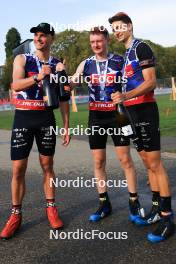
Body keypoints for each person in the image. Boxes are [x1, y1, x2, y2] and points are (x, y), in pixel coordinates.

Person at [109, 12, 175, 242]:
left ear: (130, 26)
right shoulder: (125, 54)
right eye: (114, 28)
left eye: (120, 27)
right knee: (147, 163)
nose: (117, 31)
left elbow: (150, 82)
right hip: (131, 112)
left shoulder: (141, 47)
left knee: (156, 164)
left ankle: (168, 218)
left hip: (146, 110)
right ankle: (157, 209)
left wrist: (125, 94)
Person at [0, 23, 70, 239]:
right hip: (23, 117)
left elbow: (65, 97)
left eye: (43, 35)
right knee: (18, 169)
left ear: (51, 38)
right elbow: (15, 85)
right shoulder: (23, 59)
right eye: (36, 36)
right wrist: (39, 76)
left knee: (47, 166)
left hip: (45, 118)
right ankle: (15, 215)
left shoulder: (58, 64)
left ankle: (51, 208)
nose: (39, 39)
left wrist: (66, 125)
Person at [71, 26, 144, 223]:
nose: (96, 45)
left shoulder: (119, 60)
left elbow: (134, 80)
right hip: (96, 117)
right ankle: (104, 203)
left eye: (99, 41)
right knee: (98, 162)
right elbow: (73, 82)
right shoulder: (86, 63)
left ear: (106, 40)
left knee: (125, 160)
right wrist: (62, 77)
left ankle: (134, 201)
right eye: (92, 41)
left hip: (116, 116)